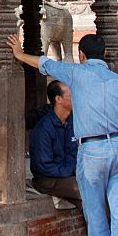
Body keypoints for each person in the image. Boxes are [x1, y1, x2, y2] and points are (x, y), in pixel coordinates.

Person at [7, 32, 118, 236]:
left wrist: (20, 54)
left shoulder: (77, 74)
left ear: (82, 55)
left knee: (95, 210)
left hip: (92, 149)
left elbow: (46, 64)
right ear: (106, 54)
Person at [29, 80, 81, 209]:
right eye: (72, 95)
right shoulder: (43, 129)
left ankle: (107, 229)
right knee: (89, 191)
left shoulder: (75, 122)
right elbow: (44, 166)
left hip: (70, 175)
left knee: (102, 192)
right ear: (58, 99)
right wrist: (72, 171)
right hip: (48, 179)